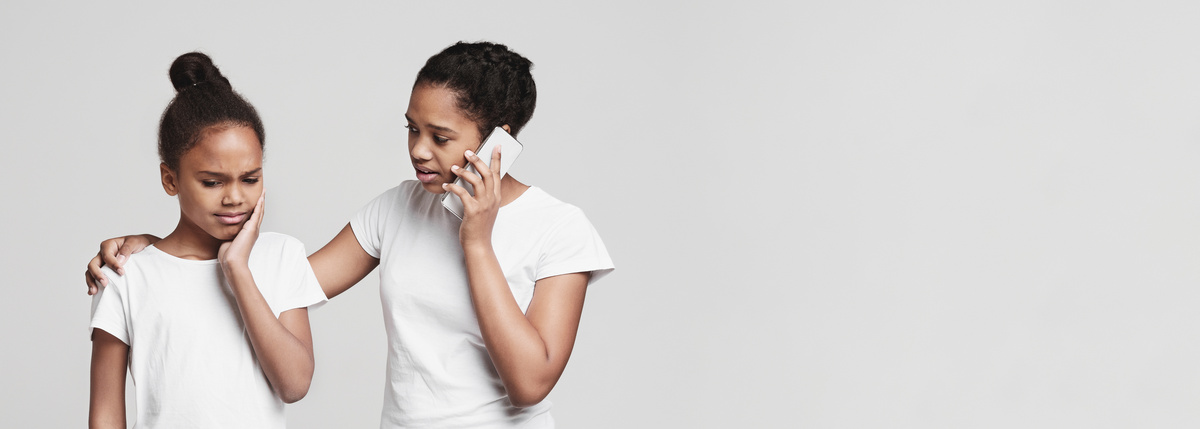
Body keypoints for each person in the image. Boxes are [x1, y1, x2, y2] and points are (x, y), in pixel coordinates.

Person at [87, 41, 614, 428]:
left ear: (500, 140)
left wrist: (477, 240)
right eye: (412, 128)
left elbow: (529, 383)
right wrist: (150, 249)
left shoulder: (559, 229)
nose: (418, 151)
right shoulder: (398, 209)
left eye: (441, 136)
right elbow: (279, 283)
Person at [88, 52, 327, 428]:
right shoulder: (126, 274)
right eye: (212, 182)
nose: (234, 197)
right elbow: (105, 412)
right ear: (170, 180)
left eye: (250, 179)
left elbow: (295, 384)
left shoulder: (282, 256)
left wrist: (237, 270)